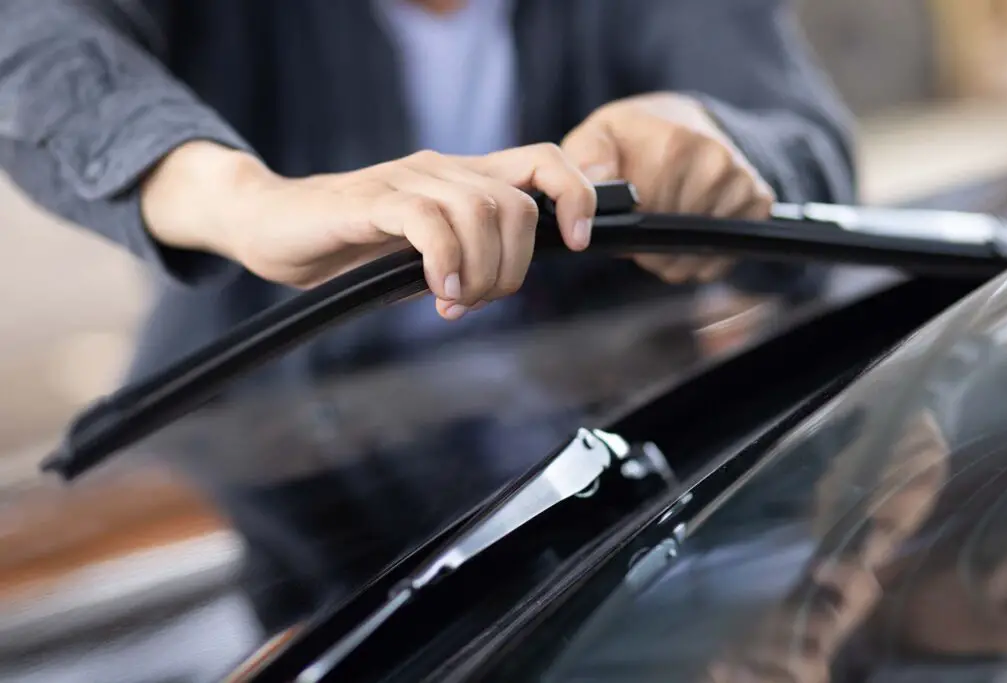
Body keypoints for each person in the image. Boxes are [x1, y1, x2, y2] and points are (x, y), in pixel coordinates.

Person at [0, 0, 856, 634]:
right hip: (254, 474)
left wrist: (714, 144)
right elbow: (31, 40)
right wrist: (241, 200)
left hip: (606, 491)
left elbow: (810, 159)